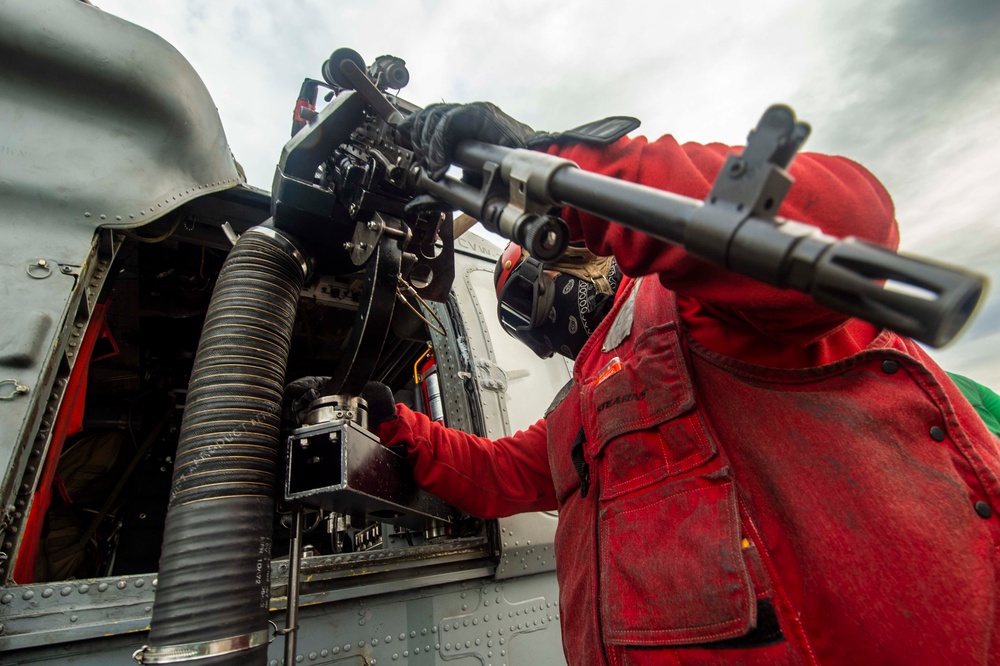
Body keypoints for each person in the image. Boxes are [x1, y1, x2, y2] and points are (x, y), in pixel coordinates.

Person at [360, 102, 1000, 665]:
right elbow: (499, 474)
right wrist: (395, 425)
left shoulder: (709, 310)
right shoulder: (588, 396)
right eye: (519, 320)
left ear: (581, 248)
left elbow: (846, 219)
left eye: (532, 293)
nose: (543, 325)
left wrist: (562, 171)